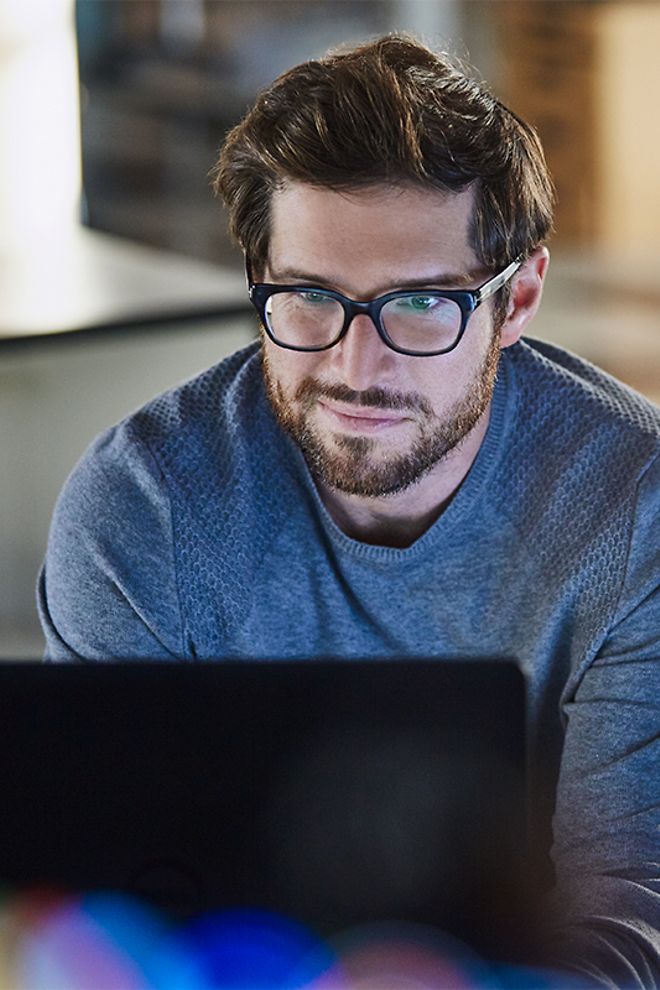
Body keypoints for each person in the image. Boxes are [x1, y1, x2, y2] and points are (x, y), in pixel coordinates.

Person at [38, 35, 658, 986]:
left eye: (417, 304)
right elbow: (108, 912)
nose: (353, 369)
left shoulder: (634, 510)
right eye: (310, 297)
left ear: (519, 296)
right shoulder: (144, 509)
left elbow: (629, 919)